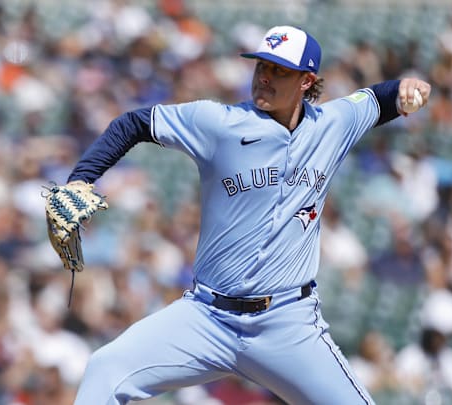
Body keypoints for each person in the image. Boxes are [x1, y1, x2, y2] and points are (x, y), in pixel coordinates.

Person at [60, 25, 431, 404]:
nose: (265, 78)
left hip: (287, 323)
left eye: (279, 71)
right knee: (106, 367)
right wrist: (80, 179)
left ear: (307, 81)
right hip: (207, 318)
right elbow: (134, 124)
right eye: (261, 68)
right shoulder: (218, 123)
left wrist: (406, 87)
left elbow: (379, 99)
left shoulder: (332, 125)